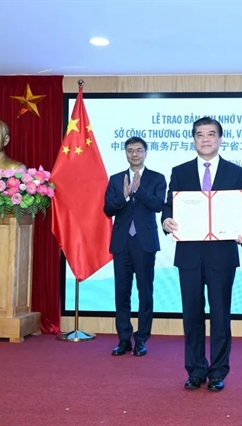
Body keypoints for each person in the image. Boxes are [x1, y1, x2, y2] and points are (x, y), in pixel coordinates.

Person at [161, 117, 242, 392]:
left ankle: (218, 372)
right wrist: (166, 221)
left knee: (221, 315)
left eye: (211, 134)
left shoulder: (236, 172)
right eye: (200, 135)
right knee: (192, 315)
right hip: (189, 254)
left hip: (222, 254)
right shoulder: (180, 172)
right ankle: (196, 370)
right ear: (194, 139)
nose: (206, 139)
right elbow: (169, 206)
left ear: (220, 139)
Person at [103, 137, 167, 357]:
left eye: (139, 150)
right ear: (125, 153)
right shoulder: (115, 179)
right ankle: (123, 340)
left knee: (145, 292)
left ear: (146, 153)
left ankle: (141, 340)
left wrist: (139, 191)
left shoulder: (157, 178)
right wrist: (123, 197)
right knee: (122, 293)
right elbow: (108, 210)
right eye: (130, 150)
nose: (135, 154)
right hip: (121, 243)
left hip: (144, 243)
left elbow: (158, 205)